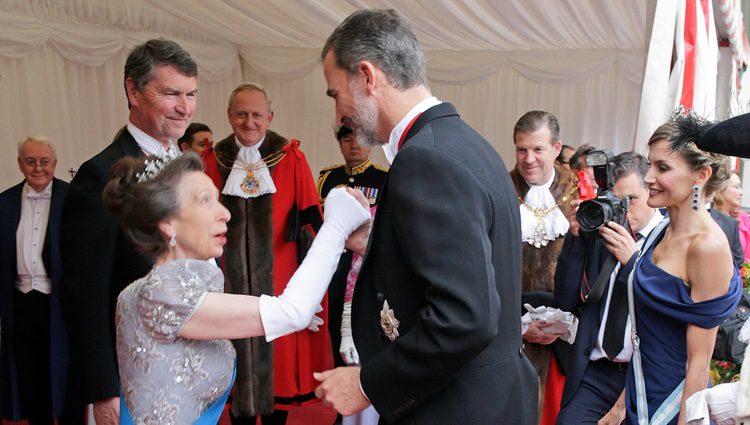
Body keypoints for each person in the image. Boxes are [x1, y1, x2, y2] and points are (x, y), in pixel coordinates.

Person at [314, 9, 537, 425]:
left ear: (366, 77)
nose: (339, 113)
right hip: (488, 397)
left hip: (456, 407)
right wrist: (378, 240)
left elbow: (465, 317)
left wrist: (367, 383)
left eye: (335, 93)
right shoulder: (463, 143)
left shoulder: (426, 159)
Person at [101, 153, 370, 424]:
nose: (225, 213)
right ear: (168, 223)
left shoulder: (137, 292)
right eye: (205, 200)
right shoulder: (167, 294)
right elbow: (292, 311)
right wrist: (336, 223)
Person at [60, 38, 197, 425]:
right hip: (133, 374)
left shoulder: (191, 169)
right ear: (133, 91)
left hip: (190, 368)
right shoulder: (99, 176)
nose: (184, 107)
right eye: (171, 93)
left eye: (191, 93)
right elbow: (85, 295)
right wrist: (104, 390)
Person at [214, 82, 325, 424]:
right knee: (234, 373)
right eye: (242, 114)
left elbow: (311, 229)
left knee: (276, 380)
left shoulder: (291, 159)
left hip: (280, 284)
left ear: (270, 117)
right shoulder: (211, 160)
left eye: (257, 115)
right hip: (226, 286)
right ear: (230, 116)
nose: (250, 122)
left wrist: (312, 291)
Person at [619, 115, 742, 424]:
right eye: (649, 165)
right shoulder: (661, 231)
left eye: (663, 167)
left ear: (700, 175)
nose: (648, 177)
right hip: (639, 392)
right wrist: (619, 407)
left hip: (675, 406)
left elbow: (699, 362)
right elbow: (642, 337)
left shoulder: (707, 247)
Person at [554, 152, 663, 424]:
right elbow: (565, 302)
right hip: (595, 371)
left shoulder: (668, 238)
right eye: (616, 200)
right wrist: (576, 239)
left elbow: (663, 310)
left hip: (641, 377)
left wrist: (633, 263)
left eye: (632, 200)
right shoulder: (604, 233)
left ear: (652, 191)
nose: (624, 210)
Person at [0, 137, 84, 424]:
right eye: (30, 161)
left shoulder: (73, 198)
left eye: (44, 161)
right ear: (20, 163)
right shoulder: (5, 201)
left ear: (55, 164)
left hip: (60, 304)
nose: (38, 168)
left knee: (65, 379)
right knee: (30, 380)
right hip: (21, 304)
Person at [317, 125, 387, 425]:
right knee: (336, 330)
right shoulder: (327, 178)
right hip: (335, 266)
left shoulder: (384, 178)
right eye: (347, 139)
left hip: (364, 266)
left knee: (363, 331)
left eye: (359, 140)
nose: (354, 146)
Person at [511, 110, 578, 423]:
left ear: (556, 148)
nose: (529, 159)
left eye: (538, 149)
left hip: (562, 338)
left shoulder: (581, 193)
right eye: (521, 149)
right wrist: (520, 325)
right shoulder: (500, 188)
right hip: (509, 330)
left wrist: (563, 325)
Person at [713, 171, 750, 264]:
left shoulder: (744, 220)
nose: (741, 192)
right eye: (736, 187)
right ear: (721, 188)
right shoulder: (710, 217)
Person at [178, 122, 222, 190]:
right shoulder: (175, 178)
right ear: (185, 148)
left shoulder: (219, 169)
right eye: (202, 145)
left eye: (210, 144)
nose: (209, 150)